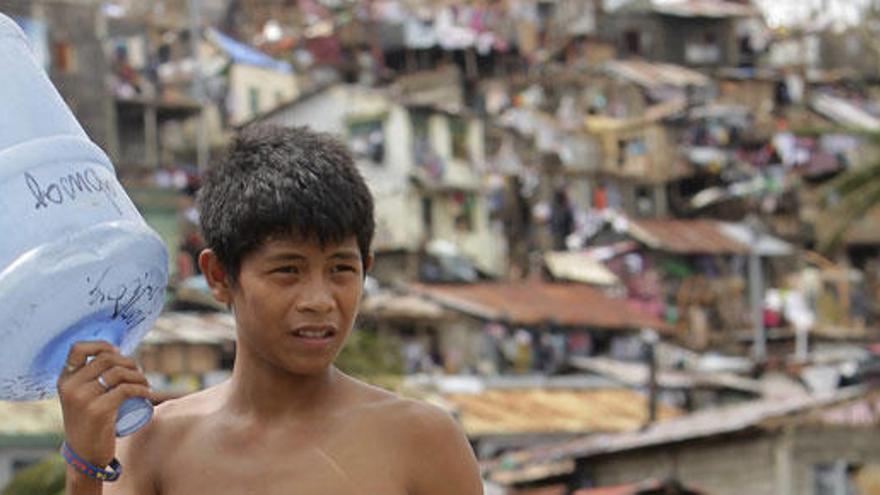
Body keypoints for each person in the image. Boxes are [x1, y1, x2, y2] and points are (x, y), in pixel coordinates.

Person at [57, 125, 484, 494]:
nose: (319, 300)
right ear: (220, 276)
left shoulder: (422, 441)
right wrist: (84, 471)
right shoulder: (155, 443)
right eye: (287, 270)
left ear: (365, 270)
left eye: (341, 269)